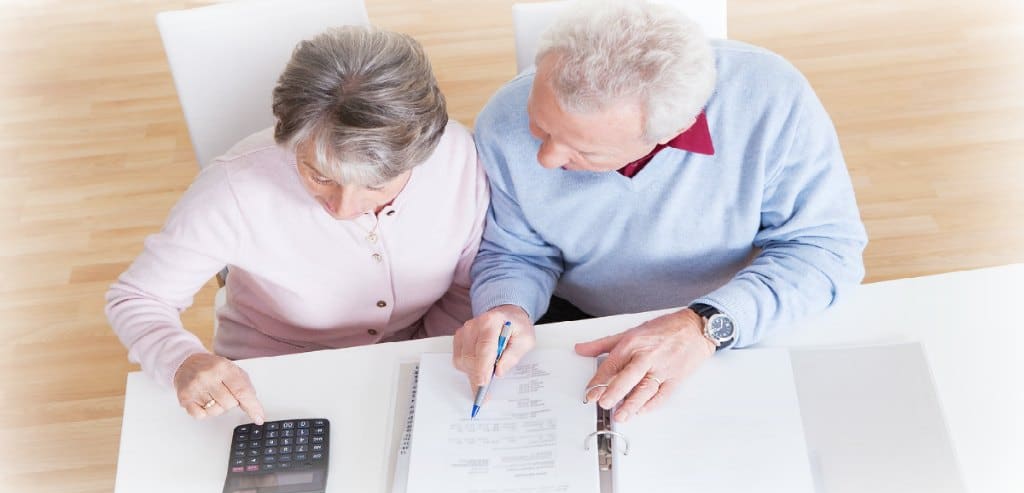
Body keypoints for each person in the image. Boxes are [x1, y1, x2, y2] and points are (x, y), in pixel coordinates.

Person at [453, 0, 867, 423]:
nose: (544, 159)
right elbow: (515, 252)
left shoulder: (772, 99)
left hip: (733, 314)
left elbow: (824, 249)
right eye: (539, 126)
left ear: (672, 130)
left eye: (583, 149)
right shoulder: (502, 120)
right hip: (579, 322)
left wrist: (703, 325)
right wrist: (507, 309)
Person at [106, 26, 488, 424]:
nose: (343, 208)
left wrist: (423, 363)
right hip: (270, 381)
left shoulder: (458, 158)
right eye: (319, 175)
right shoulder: (235, 188)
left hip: (418, 366)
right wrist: (182, 359)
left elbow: (466, 284)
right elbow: (139, 298)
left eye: (375, 184)